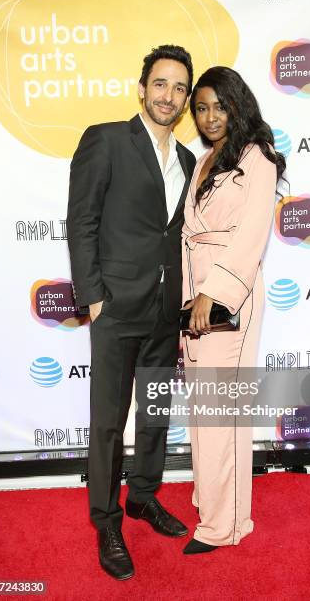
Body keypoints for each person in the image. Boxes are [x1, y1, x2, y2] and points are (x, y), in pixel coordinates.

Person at [67, 45, 196, 580]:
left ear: (186, 99)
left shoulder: (188, 160)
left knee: (155, 416)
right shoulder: (107, 140)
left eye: (180, 88)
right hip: (116, 309)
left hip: (166, 310)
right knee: (107, 424)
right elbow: (82, 221)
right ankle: (107, 519)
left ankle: (143, 497)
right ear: (142, 88)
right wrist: (93, 297)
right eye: (160, 84)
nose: (169, 96)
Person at [181, 66, 286, 554]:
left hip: (230, 297)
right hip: (196, 300)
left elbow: (250, 237)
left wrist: (214, 292)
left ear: (237, 104)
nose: (209, 116)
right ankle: (214, 504)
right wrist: (187, 298)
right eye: (200, 108)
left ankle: (223, 526)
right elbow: (187, 240)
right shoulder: (205, 162)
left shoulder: (257, 158)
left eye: (219, 106)